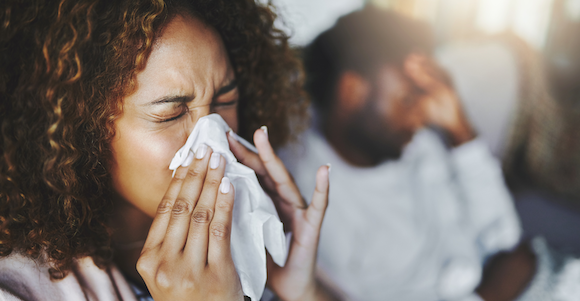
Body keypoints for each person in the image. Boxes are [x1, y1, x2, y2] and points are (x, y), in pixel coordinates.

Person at [0, 0, 336, 300]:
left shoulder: (253, 244)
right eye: (171, 113)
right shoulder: (18, 289)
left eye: (226, 100)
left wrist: (299, 289)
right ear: (81, 128)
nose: (215, 142)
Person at [279, 6, 521, 301]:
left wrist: (461, 131)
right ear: (352, 91)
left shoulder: (413, 145)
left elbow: (505, 237)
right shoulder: (312, 201)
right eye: (407, 98)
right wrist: (494, 290)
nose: (420, 115)